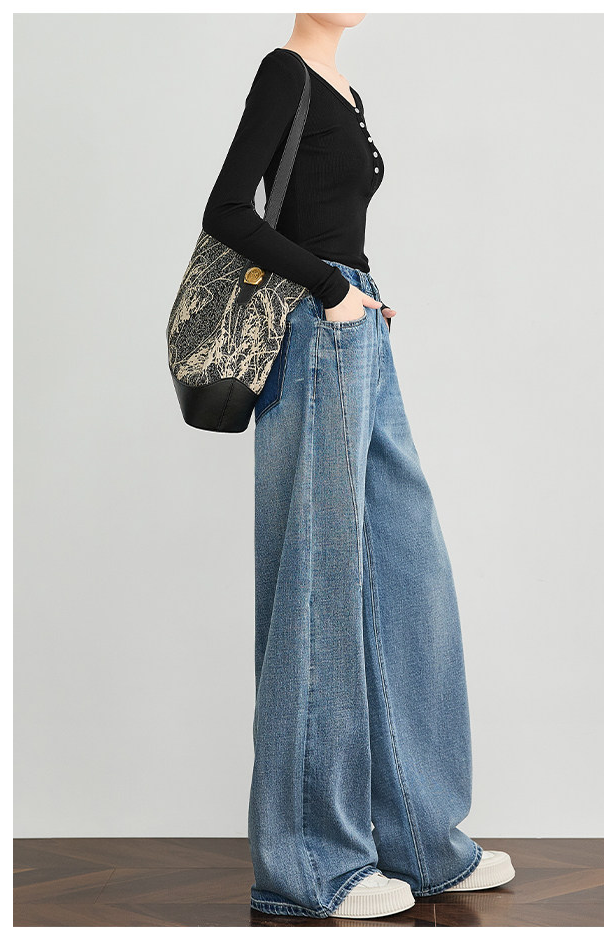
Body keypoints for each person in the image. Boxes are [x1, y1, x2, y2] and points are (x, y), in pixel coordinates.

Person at [201, 13, 515, 920]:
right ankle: (310, 868)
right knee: (323, 586)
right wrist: (333, 288)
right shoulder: (284, 72)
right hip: (314, 330)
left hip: (355, 326)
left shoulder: (345, 88)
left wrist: (361, 292)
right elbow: (227, 211)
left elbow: (326, 216)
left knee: (406, 573)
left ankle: (423, 842)